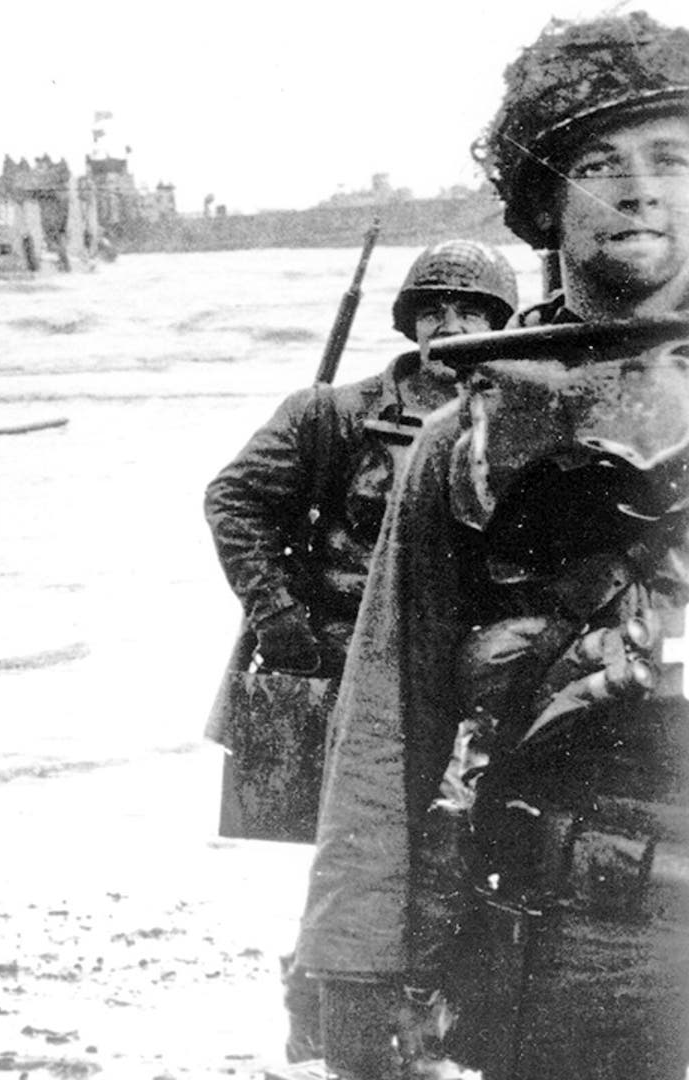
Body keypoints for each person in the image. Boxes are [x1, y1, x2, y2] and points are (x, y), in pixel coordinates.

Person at [296, 13, 689, 1079]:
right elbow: (389, 711)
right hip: (563, 947)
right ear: (545, 204)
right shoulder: (464, 438)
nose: (640, 190)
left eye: (672, 158)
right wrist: (355, 956)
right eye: (600, 164)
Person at [204, 241, 517, 1069]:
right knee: (354, 860)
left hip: (463, 669)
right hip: (347, 666)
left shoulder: (512, 418)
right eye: (434, 309)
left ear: (498, 324)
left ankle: (424, 1022)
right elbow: (233, 500)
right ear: (409, 320)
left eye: (471, 311)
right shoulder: (332, 416)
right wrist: (278, 618)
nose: (449, 326)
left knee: (452, 845)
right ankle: (330, 1020)